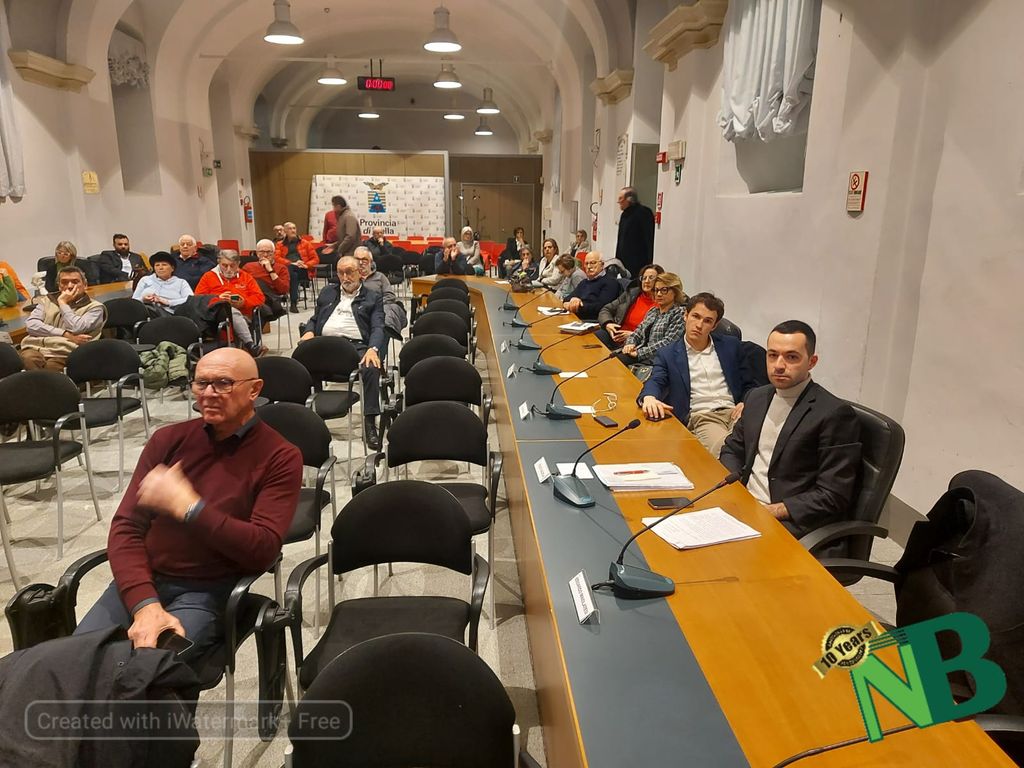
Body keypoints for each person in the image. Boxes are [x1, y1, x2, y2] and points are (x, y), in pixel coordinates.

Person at [73, 347, 302, 664]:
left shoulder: (280, 456)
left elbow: (262, 550)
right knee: (76, 662)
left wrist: (190, 508)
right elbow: (126, 527)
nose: (208, 393)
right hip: (142, 581)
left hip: (206, 592)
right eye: (201, 383)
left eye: (222, 383)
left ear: (254, 390)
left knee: (147, 672)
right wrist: (145, 603)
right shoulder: (168, 440)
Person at [719, 320, 862, 541]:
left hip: (789, 521)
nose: (778, 365)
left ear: (812, 362)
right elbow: (733, 449)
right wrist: (737, 492)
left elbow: (833, 494)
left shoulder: (834, 414)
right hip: (744, 506)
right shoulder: (756, 397)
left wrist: (772, 510)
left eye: (791, 357)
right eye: (772, 355)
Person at [639, 292, 756, 457]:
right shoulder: (668, 354)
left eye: (707, 321)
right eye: (696, 316)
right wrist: (649, 397)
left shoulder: (731, 346)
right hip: (704, 417)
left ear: (714, 326)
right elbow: (656, 380)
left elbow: (750, 384)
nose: (699, 325)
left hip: (736, 413)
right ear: (685, 315)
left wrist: (746, 402)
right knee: (725, 451)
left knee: (759, 448)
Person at [300, 256, 386, 449]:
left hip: (355, 347)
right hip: (324, 345)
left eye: (349, 272)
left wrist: (372, 349)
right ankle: (306, 420)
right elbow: (315, 318)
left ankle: (370, 422)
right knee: (297, 364)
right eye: (341, 273)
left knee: (371, 367)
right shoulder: (328, 292)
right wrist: (309, 331)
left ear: (360, 272)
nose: (345, 277)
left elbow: (378, 327)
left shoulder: (372, 297)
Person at [19, 265, 106, 372]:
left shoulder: (95, 308)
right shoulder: (47, 300)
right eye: (64, 282)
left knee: (51, 368)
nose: (69, 286)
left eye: (75, 282)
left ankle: (42, 382)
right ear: (59, 286)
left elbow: (76, 328)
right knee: (27, 359)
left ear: (85, 285)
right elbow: (31, 325)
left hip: (65, 352)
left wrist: (63, 303)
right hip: (36, 347)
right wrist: (66, 334)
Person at [195, 250, 267, 357]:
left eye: (232, 266)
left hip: (243, 314)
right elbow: (198, 299)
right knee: (228, 309)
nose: (228, 269)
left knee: (232, 311)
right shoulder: (208, 277)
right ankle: (250, 344)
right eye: (224, 265)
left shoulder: (246, 277)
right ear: (219, 263)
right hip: (214, 316)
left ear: (238, 264)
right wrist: (218, 299)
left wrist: (244, 303)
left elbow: (260, 298)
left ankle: (243, 348)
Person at [617, 272, 686, 366]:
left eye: (664, 290)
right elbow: (638, 331)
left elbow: (668, 343)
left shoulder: (679, 313)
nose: (659, 294)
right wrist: (630, 343)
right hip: (640, 353)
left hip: (658, 360)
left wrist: (639, 353)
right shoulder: (653, 311)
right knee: (612, 362)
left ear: (675, 292)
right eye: (656, 290)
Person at [596, 263, 665, 349]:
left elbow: (658, 334)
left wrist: (634, 335)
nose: (646, 281)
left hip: (637, 343)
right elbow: (606, 309)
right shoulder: (632, 294)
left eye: (651, 278)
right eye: (644, 278)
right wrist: (608, 323)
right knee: (593, 339)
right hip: (616, 335)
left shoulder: (663, 303)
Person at [354, 245, 406, 338]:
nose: (361, 263)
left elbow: (390, 296)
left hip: (379, 310)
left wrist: (375, 305)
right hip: (357, 311)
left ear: (371, 262)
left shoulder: (380, 277)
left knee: (386, 314)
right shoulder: (350, 278)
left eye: (364, 260)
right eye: (357, 259)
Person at [562, 251, 621, 321]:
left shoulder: (611, 282)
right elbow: (567, 299)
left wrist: (579, 306)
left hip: (593, 321)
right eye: (586, 264)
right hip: (577, 317)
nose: (589, 267)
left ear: (602, 265)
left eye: (593, 263)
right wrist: (572, 300)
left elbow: (601, 307)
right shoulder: (584, 282)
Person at [614, 186, 655, 279]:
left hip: (639, 261)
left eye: (621, 198)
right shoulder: (624, 214)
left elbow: (648, 238)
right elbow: (621, 239)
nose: (618, 202)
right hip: (624, 261)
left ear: (629, 199)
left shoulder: (644, 213)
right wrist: (617, 260)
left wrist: (648, 263)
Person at [243, 238, 290, 311]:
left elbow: (283, 290)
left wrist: (270, 270)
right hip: (253, 297)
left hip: (272, 296)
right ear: (257, 253)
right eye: (262, 252)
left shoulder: (282, 268)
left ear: (274, 253)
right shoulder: (248, 267)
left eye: (268, 252)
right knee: (256, 283)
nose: (265, 255)